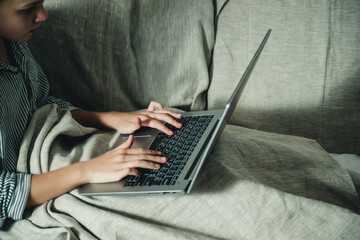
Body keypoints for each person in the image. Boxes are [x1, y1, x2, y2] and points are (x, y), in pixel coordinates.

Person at [0, 0, 182, 228]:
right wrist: (90, 169)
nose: (43, 16)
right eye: (28, 9)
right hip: (37, 190)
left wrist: (111, 118)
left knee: (170, 128)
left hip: (60, 152)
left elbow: (40, 104)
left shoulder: (14, 42)